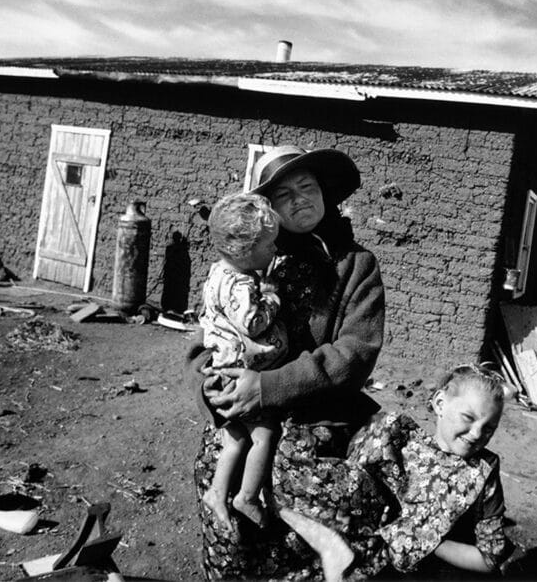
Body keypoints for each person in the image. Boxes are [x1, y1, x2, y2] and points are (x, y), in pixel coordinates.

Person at [187, 145, 386, 580]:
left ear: (326, 193)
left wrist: (268, 386)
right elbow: (208, 334)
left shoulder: (356, 266)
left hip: (317, 419)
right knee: (225, 509)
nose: (299, 200)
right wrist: (209, 384)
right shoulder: (251, 257)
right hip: (242, 410)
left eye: (308, 187)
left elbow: (354, 353)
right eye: (284, 194)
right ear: (269, 209)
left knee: (307, 530)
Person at [278, 363, 513, 579]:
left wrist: (424, 539)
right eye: (468, 418)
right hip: (357, 540)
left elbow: (489, 557)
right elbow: (351, 480)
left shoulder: (481, 470)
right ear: (440, 403)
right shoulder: (399, 439)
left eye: (489, 428)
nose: (476, 434)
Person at [198, 192, 289, 531]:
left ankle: (218, 492)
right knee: (264, 433)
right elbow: (252, 323)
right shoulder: (239, 284)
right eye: (268, 245)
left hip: (222, 368)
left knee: (236, 438)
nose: (274, 250)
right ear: (245, 250)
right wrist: (271, 296)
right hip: (240, 373)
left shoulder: (218, 273)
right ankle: (247, 496)